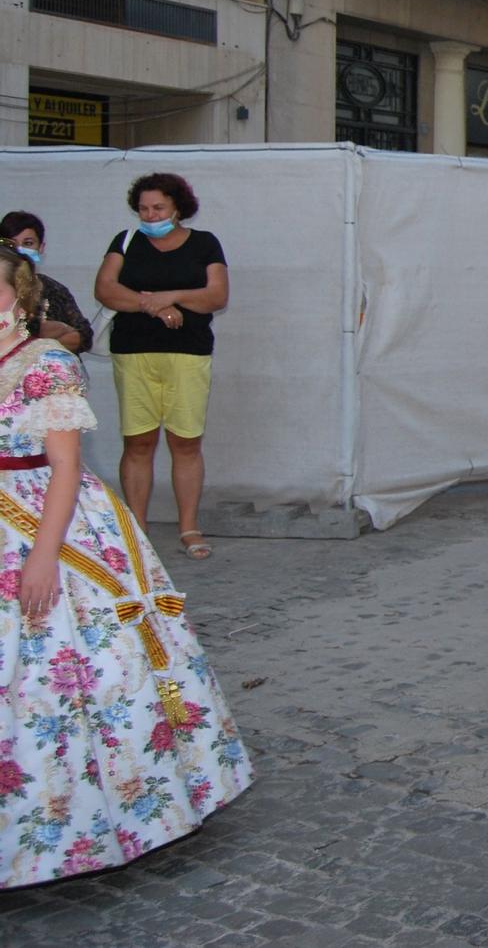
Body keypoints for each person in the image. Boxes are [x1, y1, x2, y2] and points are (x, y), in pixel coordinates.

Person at [0, 245, 252, 887]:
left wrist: (42, 556)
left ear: (19, 296)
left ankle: (100, 812)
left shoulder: (45, 363)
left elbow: (62, 467)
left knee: (75, 668)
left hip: (44, 521)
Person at [92, 174, 228, 563]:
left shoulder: (204, 243)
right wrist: (156, 306)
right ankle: (138, 527)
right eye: (144, 208)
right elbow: (105, 288)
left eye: (158, 208)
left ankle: (189, 526)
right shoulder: (126, 241)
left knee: (185, 442)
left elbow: (216, 296)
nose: (150, 215)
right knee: (138, 441)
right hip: (133, 352)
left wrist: (175, 295)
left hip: (188, 353)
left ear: (177, 208)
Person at [0, 212, 89, 354]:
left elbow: (84, 336)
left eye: (28, 243)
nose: (19, 250)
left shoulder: (54, 289)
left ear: (41, 247)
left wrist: (40, 348)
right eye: (12, 244)